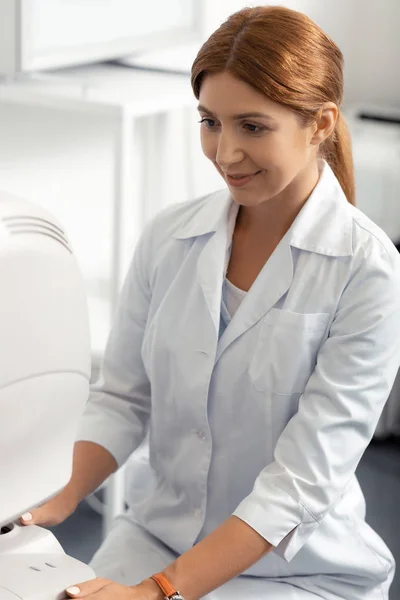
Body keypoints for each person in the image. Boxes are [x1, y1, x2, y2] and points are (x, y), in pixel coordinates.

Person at [21, 5, 400, 600]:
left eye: (252, 126)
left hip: (294, 572)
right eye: (209, 122)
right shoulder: (170, 238)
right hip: (156, 540)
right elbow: (123, 397)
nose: (224, 154)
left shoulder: (367, 271)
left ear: (321, 123)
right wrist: (56, 493)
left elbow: (300, 484)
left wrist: (159, 591)